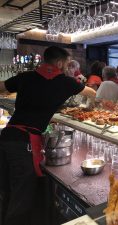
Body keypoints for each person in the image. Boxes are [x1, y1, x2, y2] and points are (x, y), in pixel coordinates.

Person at [0, 46, 96, 225]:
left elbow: (1, 87)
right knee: (21, 200)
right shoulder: (66, 82)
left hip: (7, 137)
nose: (68, 67)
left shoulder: (26, 76)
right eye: (67, 63)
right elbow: (91, 93)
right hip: (23, 145)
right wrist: (92, 105)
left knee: (6, 193)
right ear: (60, 63)